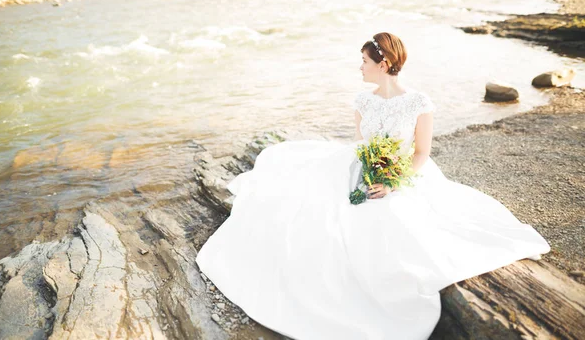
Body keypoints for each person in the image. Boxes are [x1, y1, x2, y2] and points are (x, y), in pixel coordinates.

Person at [195, 32, 550, 340]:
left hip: (404, 172)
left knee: (392, 222)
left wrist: (393, 181)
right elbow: (363, 143)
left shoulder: (418, 103)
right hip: (360, 165)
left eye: (364, 61)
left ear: (383, 63)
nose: (360, 67)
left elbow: (423, 152)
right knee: (309, 212)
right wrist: (369, 171)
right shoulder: (363, 101)